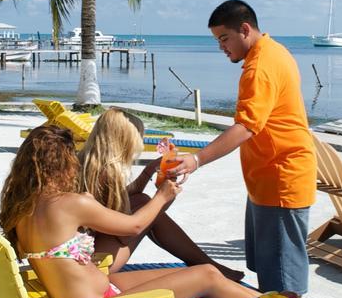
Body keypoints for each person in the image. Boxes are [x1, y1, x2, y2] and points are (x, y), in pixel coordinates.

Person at [0, 125, 258, 298]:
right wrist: (163, 196)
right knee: (206, 275)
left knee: (197, 273)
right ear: (64, 163)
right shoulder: (68, 204)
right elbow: (134, 226)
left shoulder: (24, 209)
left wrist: (147, 178)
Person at [169, 0, 316, 294]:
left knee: (283, 282)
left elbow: (246, 127)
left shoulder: (260, 67)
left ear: (245, 29)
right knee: (271, 269)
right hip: (270, 178)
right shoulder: (274, 51)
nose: (222, 47)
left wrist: (196, 160)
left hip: (280, 179)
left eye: (224, 38)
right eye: (217, 40)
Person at [79, 108, 243, 280]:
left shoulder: (89, 164)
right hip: (95, 264)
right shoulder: (108, 174)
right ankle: (207, 265)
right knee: (146, 206)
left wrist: (148, 172)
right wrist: (162, 198)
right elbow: (128, 232)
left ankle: (204, 263)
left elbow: (119, 200)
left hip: (84, 251)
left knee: (142, 201)